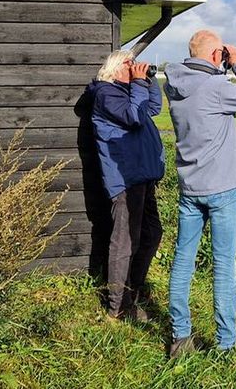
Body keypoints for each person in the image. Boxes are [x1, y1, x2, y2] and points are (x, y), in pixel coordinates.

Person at [162, 30, 236, 357]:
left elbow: (201, 80)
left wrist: (218, 64)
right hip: (222, 189)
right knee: (224, 266)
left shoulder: (173, 85)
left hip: (189, 188)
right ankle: (226, 344)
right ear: (214, 56)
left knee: (183, 261)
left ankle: (180, 337)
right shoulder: (217, 88)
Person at [83, 50, 165, 321]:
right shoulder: (106, 94)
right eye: (130, 64)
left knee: (152, 233)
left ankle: (134, 291)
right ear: (116, 67)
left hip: (142, 175)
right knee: (125, 241)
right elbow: (135, 117)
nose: (134, 68)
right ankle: (118, 306)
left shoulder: (125, 91)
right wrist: (139, 84)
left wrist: (149, 81)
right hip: (126, 178)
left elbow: (152, 108)